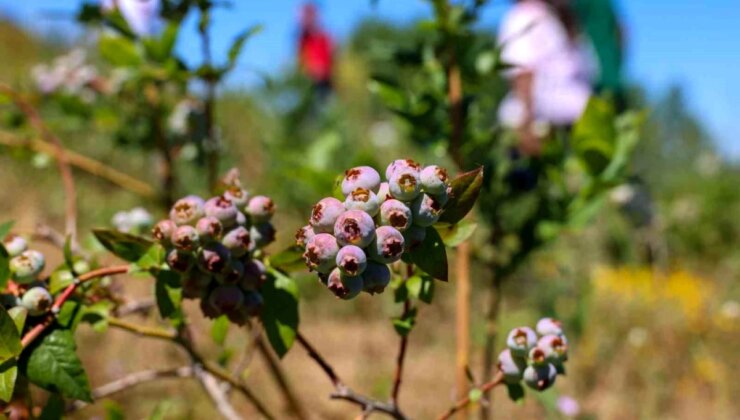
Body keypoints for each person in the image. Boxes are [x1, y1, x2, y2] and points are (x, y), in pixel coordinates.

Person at [497, 0, 593, 156]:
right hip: (541, 126)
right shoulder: (525, 16)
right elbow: (522, 70)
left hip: (570, 127)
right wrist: (526, 125)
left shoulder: (554, 18)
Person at [573, 0, 626, 110]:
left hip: (589, 82)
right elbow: (622, 32)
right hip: (613, 78)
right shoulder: (606, 3)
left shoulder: (579, 4)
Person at [297, 2, 334, 97]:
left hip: (324, 82)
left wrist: (322, 70)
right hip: (308, 82)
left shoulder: (323, 37)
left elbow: (331, 59)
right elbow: (301, 61)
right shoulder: (303, 39)